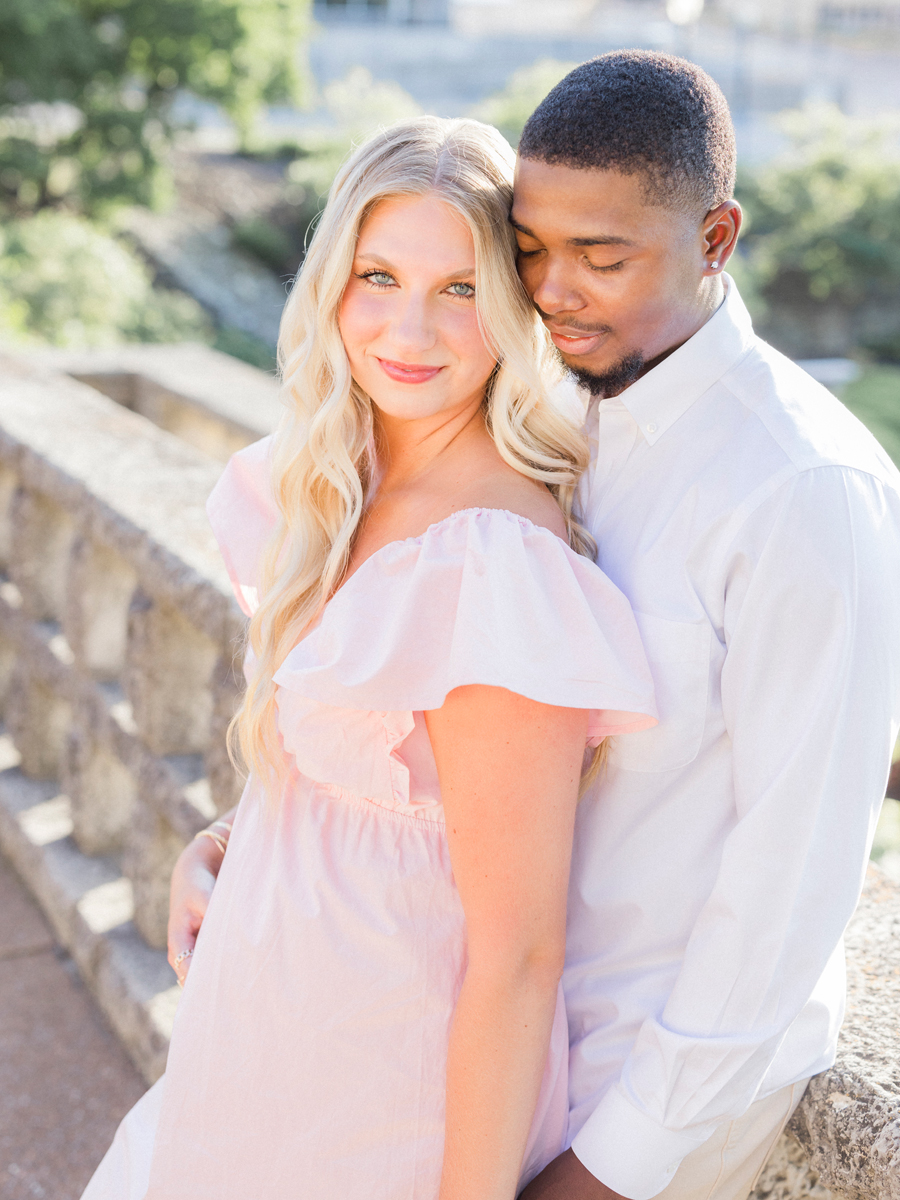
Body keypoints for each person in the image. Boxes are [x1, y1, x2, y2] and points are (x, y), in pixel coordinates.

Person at [80, 117, 657, 1200]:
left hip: (385, 1094)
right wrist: (230, 841)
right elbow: (372, 784)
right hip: (259, 1048)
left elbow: (517, 954)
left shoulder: (492, 563)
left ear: (512, 303)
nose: (410, 329)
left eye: (458, 288)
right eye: (378, 274)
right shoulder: (336, 482)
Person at [510, 53, 900, 1200]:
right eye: (531, 247)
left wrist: (616, 1163)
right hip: (501, 1047)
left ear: (717, 237)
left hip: (642, 1103)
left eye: (603, 256)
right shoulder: (552, 415)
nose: (552, 289)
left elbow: (791, 879)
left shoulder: (802, 486)